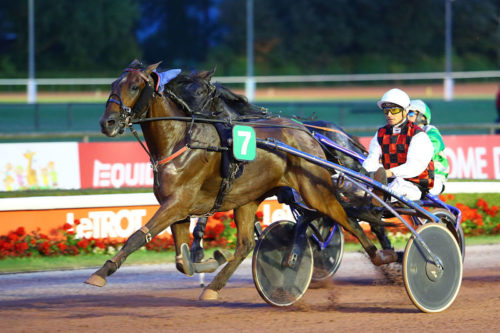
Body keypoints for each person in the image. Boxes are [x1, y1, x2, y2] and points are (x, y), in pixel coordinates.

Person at [362, 88, 435, 202]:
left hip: (413, 185)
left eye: (394, 110)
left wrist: (388, 173)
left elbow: (414, 167)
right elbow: (372, 159)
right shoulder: (380, 133)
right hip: (388, 182)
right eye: (386, 111)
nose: (389, 115)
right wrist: (364, 172)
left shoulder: (418, 135)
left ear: (405, 111)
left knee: (392, 189)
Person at [407, 99, 449, 195]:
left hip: (435, 177)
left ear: (422, 117)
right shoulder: (405, 133)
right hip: (414, 174)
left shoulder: (430, 130)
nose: (405, 117)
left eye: (410, 113)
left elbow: (432, 147)